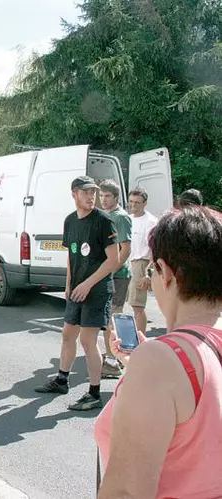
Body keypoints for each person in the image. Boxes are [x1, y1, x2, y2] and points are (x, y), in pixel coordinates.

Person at [94, 206, 222, 498]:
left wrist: (148, 366)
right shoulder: (172, 361)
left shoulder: (160, 363)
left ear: (165, 273)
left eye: (151, 270)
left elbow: (126, 491)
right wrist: (134, 364)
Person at [34, 175, 118, 411]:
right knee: (68, 334)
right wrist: (69, 285)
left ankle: (94, 393)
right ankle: (62, 379)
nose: (91, 196)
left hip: (97, 290)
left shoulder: (104, 221)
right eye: (86, 192)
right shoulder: (70, 221)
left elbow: (113, 260)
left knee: (87, 340)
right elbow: (71, 256)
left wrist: (87, 284)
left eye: (93, 192)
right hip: (77, 289)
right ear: (74, 194)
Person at [98, 180, 132, 379]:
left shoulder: (120, 217)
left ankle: (114, 362)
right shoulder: (106, 215)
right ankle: (117, 358)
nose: (103, 199)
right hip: (109, 274)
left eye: (107, 196)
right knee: (112, 319)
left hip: (118, 276)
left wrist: (111, 270)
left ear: (116, 198)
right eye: (101, 196)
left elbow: (126, 249)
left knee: (114, 319)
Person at [127, 188, 158, 335]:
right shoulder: (128, 218)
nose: (133, 205)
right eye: (131, 201)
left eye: (137, 203)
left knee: (138, 306)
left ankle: (140, 340)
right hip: (128, 263)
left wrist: (148, 274)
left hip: (142, 264)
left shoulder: (151, 222)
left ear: (145, 203)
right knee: (128, 305)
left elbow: (156, 250)